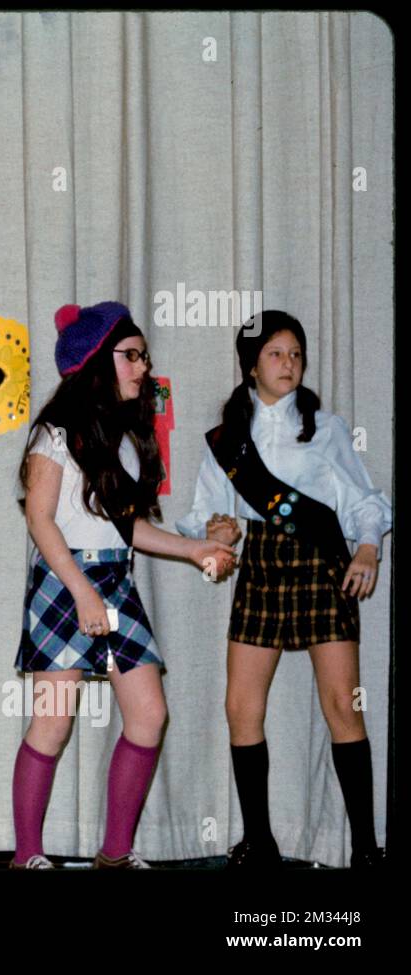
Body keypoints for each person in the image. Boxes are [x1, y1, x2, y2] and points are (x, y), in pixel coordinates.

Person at [11, 301, 234, 869]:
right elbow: (41, 519)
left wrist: (194, 548)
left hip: (115, 580)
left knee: (149, 713)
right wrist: (81, 591)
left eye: (144, 357)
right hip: (65, 584)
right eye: (130, 356)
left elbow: (128, 528)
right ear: (94, 362)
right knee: (53, 721)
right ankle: (27, 856)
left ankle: (115, 854)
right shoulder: (55, 434)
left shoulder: (128, 440)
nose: (142, 367)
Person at [175, 311, 391, 869]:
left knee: (343, 704)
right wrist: (215, 532)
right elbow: (198, 516)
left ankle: (366, 848)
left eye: (296, 353)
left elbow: (366, 502)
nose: (289, 363)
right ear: (251, 365)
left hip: (323, 565)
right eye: (276, 353)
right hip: (263, 564)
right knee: (240, 706)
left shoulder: (328, 428)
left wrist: (367, 547)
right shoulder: (227, 440)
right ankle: (259, 842)